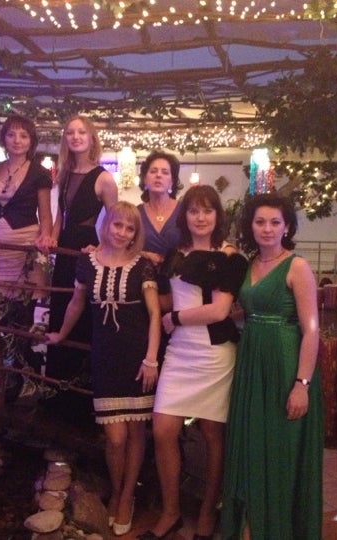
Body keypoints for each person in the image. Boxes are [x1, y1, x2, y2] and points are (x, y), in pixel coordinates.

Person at [138, 185, 247, 540]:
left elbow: (218, 311)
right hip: (180, 352)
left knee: (213, 433)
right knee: (163, 429)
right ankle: (170, 512)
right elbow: (169, 299)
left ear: (218, 215)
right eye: (193, 211)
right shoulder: (175, 253)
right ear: (184, 215)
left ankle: (207, 512)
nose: (200, 217)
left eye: (208, 210)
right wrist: (138, 269)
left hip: (215, 354)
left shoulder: (230, 257)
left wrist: (176, 319)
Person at [45, 201, 161, 536]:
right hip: (105, 357)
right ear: (106, 225)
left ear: (135, 233)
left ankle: (125, 497)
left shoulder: (143, 266)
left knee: (136, 432)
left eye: (129, 228)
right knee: (115, 436)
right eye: (117, 225)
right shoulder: (87, 261)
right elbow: (77, 302)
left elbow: (155, 315)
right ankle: (117, 487)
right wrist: (61, 334)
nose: (122, 232)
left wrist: (151, 359)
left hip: (137, 358)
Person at [221, 193, 323, 540]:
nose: (267, 228)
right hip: (252, 365)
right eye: (260, 222)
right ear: (250, 226)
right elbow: (249, 310)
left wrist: (302, 384)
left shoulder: (297, 266)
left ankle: (277, 529)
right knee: (252, 447)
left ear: (287, 227)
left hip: (284, 366)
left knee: (280, 451)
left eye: (275, 222)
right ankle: (251, 525)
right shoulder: (249, 263)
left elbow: (312, 329)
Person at [46, 115, 118, 383]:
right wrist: (52, 239)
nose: (75, 137)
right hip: (64, 246)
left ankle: (79, 386)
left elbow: (116, 222)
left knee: (81, 310)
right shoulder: (64, 174)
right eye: (70, 132)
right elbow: (59, 217)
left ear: (91, 138)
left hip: (87, 248)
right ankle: (56, 385)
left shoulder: (103, 178)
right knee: (61, 304)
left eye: (81, 132)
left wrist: (99, 248)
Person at [0, 115, 53, 382]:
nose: (17, 140)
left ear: (31, 141)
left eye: (24, 135)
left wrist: (45, 238)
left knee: (24, 310)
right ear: (4, 138)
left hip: (25, 245)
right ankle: (8, 370)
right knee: (0, 309)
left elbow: (45, 214)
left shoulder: (39, 172)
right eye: (12, 134)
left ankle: (25, 372)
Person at [137, 150, 182, 266]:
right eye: (153, 171)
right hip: (143, 273)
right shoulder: (136, 213)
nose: (158, 175)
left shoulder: (184, 210)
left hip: (179, 273)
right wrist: (142, 254)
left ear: (172, 181)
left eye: (165, 172)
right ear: (145, 179)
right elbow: (124, 247)